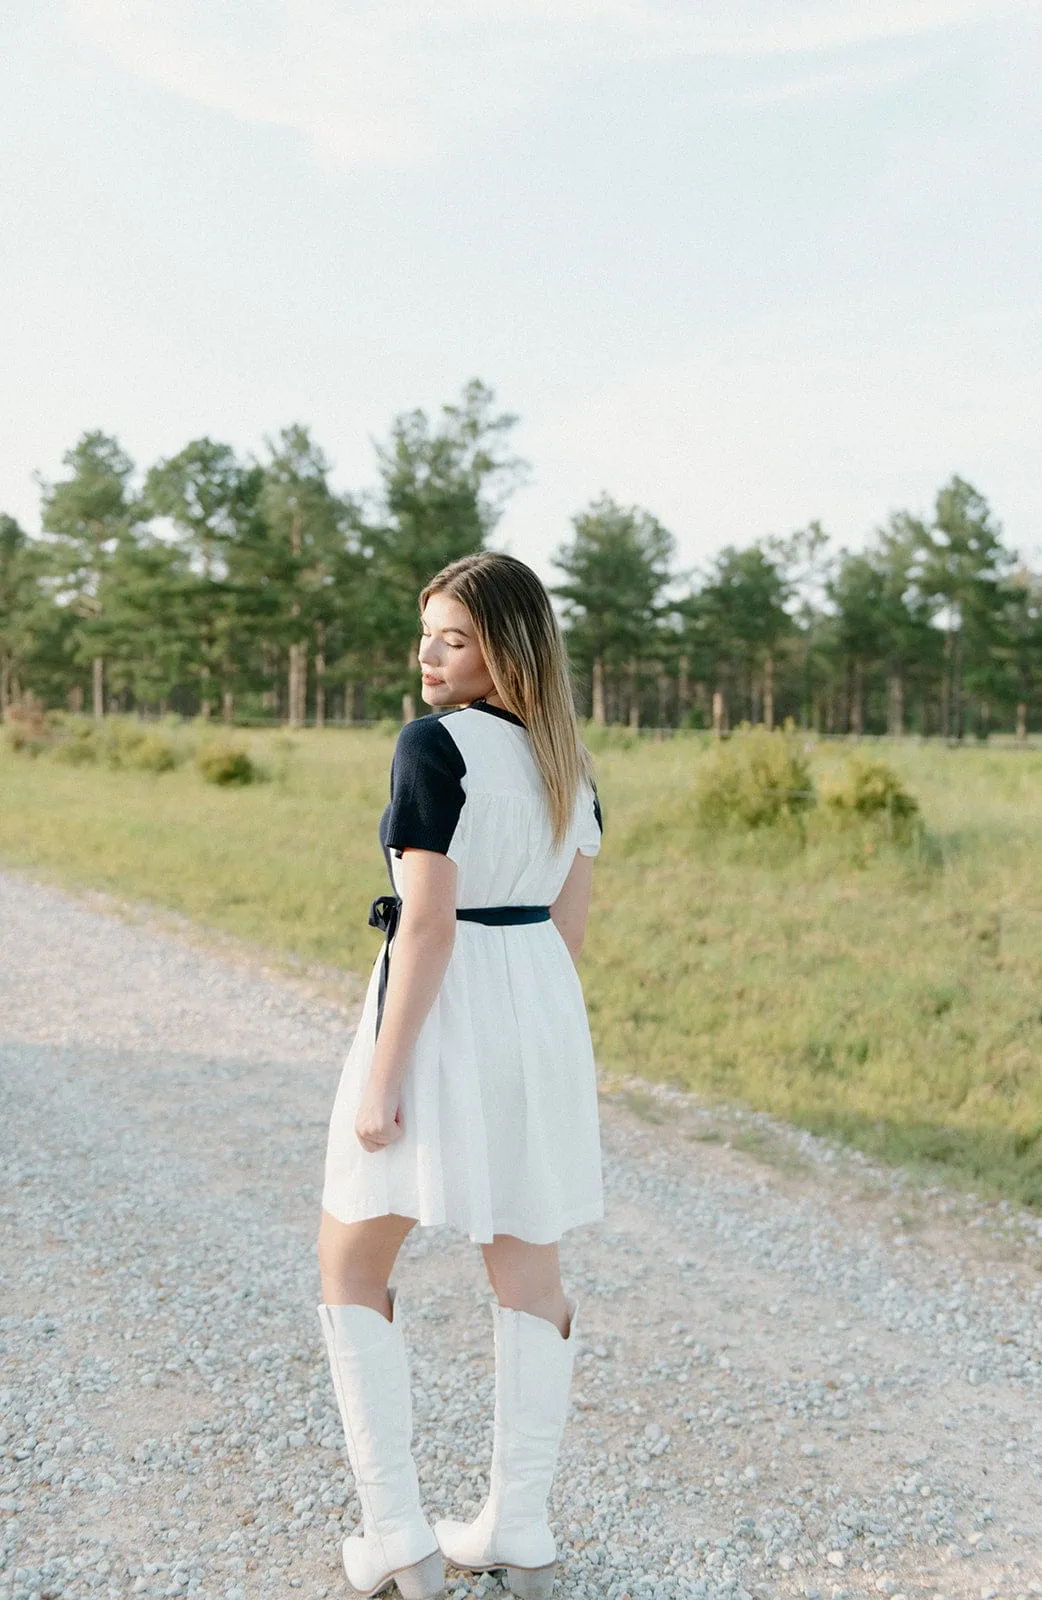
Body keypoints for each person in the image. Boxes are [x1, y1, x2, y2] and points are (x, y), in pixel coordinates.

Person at [316, 551, 605, 1600]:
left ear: (506, 649)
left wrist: (383, 1076)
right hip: (536, 1017)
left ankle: (397, 1534)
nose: (429, 657)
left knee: (349, 1255)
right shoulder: (567, 763)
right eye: (428, 634)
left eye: (455, 637)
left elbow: (429, 923)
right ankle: (518, 1531)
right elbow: (566, 934)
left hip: (440, 1011)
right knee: (529, 1269)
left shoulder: (432, 749)